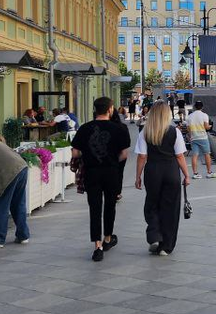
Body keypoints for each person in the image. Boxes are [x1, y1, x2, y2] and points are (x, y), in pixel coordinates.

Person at [72, 97, 131, 262]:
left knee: (94, 208)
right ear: (110, 109)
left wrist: (89, 157)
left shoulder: (84, 128)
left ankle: (97, 246)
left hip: (91, 172)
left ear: (95, 109)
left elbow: (75, 153)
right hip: (111, 172)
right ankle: (107, 239)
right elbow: (124, 154)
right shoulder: (119, 129)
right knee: (110, 206)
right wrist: (111, 161)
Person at [135, 102, 190, 257]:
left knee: (152, 204)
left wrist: (138, 176)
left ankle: (154, 235)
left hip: (152, 171)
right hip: (171, 171)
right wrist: (186, 175)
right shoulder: (175, 132)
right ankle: (166, 246)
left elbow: (142, 157)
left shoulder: (145, 132)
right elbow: (179, 156)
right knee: (170, 208)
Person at [185, 100, 216, 179]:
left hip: (194, 138)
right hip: (203, 137)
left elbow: (188, 129)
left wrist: (191, 135)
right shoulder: (204, 115)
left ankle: (195, 173)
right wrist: (209, 126)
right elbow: (206, 127)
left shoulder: (190, 116)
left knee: (195, 155)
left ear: (195, 107)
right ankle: (209, 172)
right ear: (202, 107)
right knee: (207, 154)